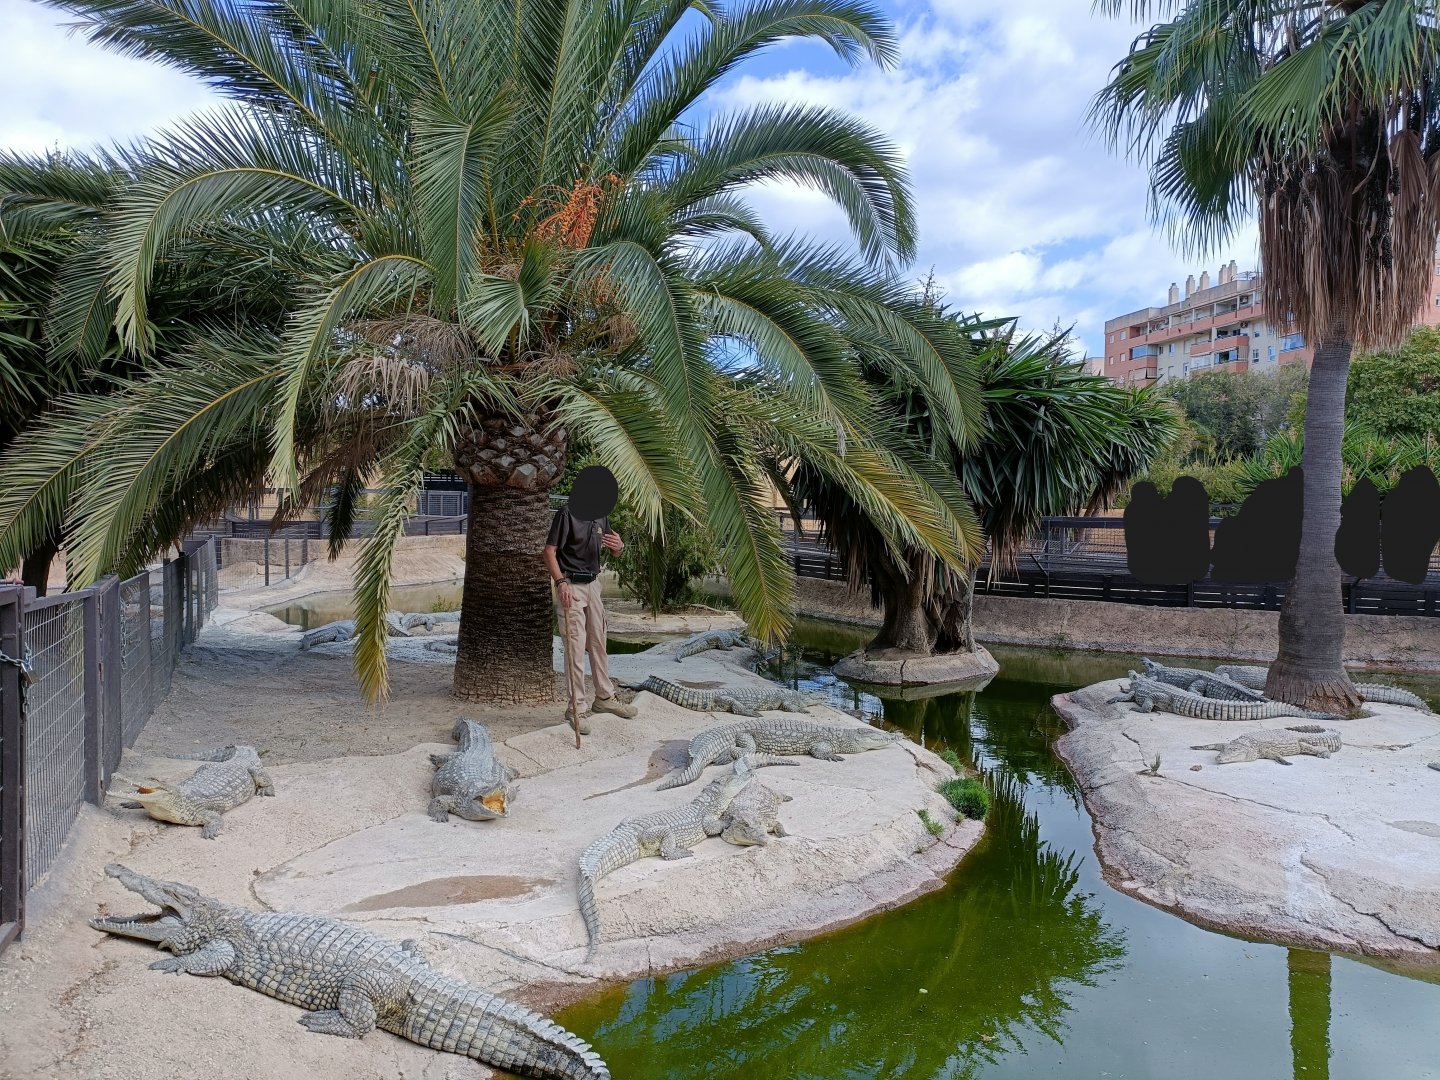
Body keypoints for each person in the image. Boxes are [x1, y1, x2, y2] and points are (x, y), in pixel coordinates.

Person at [544, 467, 638, 734]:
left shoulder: (601, 516)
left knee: (598, 642)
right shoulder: (566, 514)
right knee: (575, 648)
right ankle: (577, 708)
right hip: (570, 585)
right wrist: (560, 582)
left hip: (593, 584)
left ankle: (605, 698)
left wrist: (619, 546)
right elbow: (549, 552)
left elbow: (616, 552)